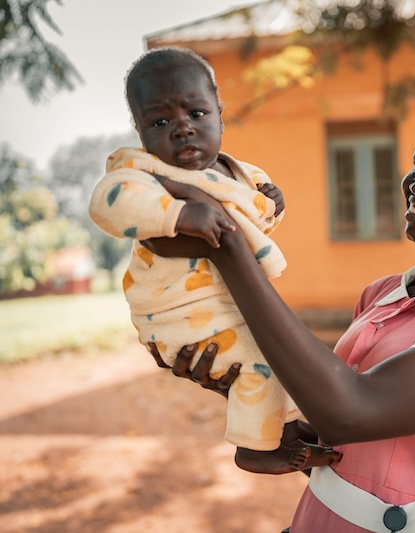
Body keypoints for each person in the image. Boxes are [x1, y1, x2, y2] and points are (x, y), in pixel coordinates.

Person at [144, 99, 415, 532]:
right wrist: (241, 390)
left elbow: (351, 412)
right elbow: (346, 447)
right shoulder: (382, 294)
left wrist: (229, 246)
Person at [89, 47, 337, 475]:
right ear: (139, 131)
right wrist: (178, 215)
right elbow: (109, 203)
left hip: (226, 306)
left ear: (220, 115)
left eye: (197, 113)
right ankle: (255, 448)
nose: (182, 128)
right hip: (179, 312)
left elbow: (252, 224)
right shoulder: (143, 173)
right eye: (160, 122)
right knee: (264, 364)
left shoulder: (241, 174)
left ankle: (289, 435)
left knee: (279, 361)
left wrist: (273, 205)